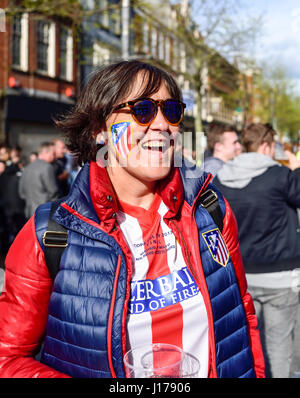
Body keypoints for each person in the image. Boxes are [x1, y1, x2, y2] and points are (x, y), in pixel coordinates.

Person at [0, 60, 264, 378]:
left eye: (171, 110)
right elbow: (8, 358)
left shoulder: (210, 209)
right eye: (142, 110)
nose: (162, 124)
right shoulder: (51, 232)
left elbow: (241, 313)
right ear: (100, 129)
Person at [213, 123, 300, 378]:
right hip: (280, 277)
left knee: (249, 346)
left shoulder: (220, 179)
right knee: (278, 346)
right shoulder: (279, 176)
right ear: (265, 145)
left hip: (241, 276)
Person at [19, 142, 59, 220]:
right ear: (46, 152)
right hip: (44, 212)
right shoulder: (47, 167)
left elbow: (21, 192)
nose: (55, 156)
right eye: (53, 153)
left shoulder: (27, 168)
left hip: (29, 211)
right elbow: (53, 191)